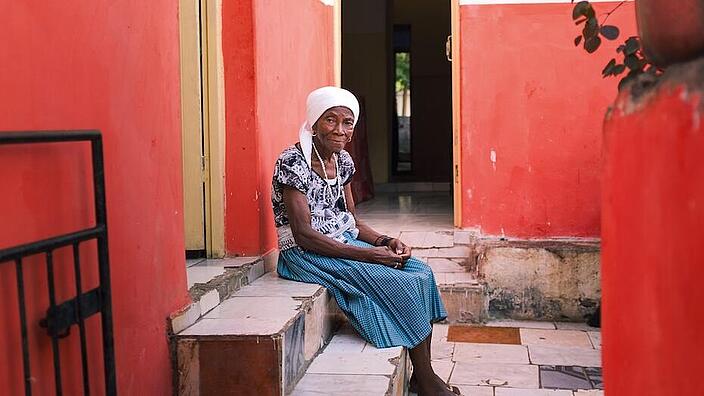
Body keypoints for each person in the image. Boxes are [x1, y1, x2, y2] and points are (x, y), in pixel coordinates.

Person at [272, 86, 459, 396]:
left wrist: (386, 241)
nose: (340, 130)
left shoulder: (342, 162)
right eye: (330, 120)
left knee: (421, 273)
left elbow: (353, 222)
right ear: (314, 122)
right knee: (401, 283)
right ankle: (426, 381)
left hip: (340, 242)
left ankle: (422, 375)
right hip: (305, 254)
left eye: (347, 123)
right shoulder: (293, 161)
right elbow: (304, 234)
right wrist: (371, 256)